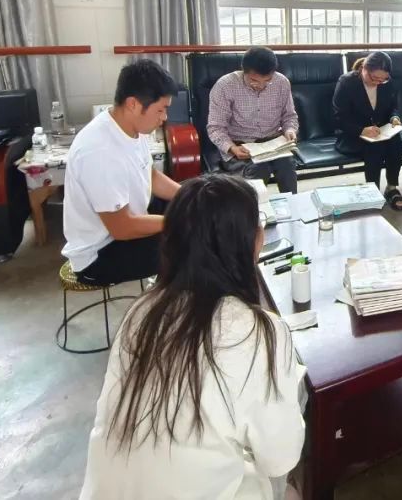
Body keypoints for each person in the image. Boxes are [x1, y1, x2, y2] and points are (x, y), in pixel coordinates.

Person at [80, 174, 305, 500]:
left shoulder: (140, 312)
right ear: (252, 242)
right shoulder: (258, 332)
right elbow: (280, 458)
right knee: (291, 487)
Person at [62, 60, 182, 285]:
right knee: (194, 242)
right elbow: (123, 228)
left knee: (194, 206)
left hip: (127, 223)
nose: (164, 117)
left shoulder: (133, 127)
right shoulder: (99, 151)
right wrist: (181, 220)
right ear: (133, 104)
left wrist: (190, 195)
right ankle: (170, 302)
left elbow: (150, 175)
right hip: (100, 254)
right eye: (161, 109)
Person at [208, 45, 300, 194]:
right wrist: (232, 148)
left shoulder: (281, 82)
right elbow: (215, 128)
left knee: (287, 166)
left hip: (273, 142)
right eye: (254, 80)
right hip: (240, 144)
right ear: (244, 71)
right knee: (258, 171)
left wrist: (290, 130)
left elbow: (289, 116)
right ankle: (253, 207)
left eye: (267, 80)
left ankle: (292, 204)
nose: (261, 86)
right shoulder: (225, 86)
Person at [332, 51, 402, 210]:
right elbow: (339, 118)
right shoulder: (346, 83)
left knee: (396, 142)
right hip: (352, 134)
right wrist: (362, 130)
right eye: (374, 78)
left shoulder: (386, 82)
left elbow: (392, 107)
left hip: (378, 131)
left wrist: (394, 117)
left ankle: (392, 188)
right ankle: (372, 193)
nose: (378, 83)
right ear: (364, 69)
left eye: (383, 79)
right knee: (375, 147)